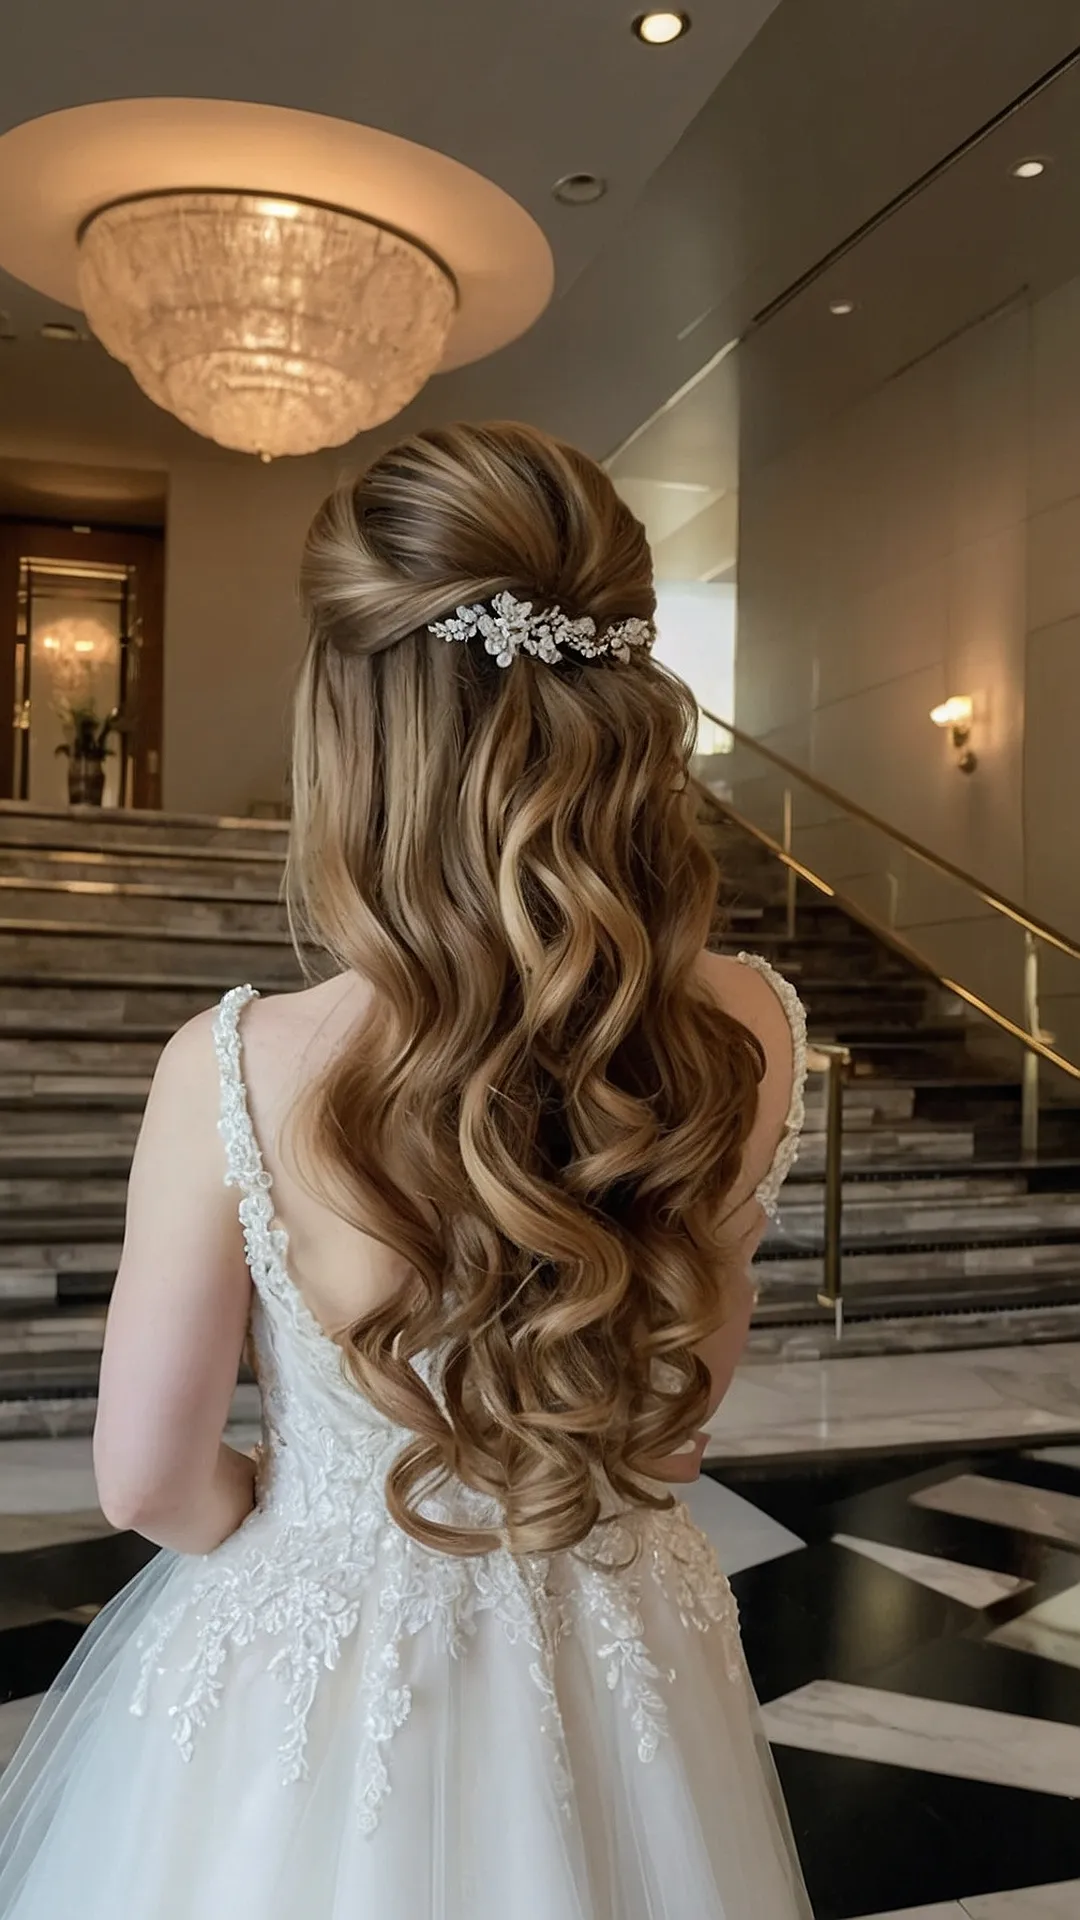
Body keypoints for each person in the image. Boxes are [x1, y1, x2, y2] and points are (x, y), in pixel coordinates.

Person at [0, 421, 812, 1918]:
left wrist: (320, 1521)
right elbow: (675, 1441)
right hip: (624, 1631)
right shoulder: (752, 1026)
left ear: (352, 725)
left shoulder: (235, 1064)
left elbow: (150, 1478)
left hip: (335, 1669)